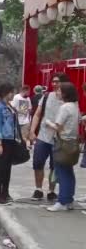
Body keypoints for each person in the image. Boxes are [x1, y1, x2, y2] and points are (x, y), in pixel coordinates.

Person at [29, 73, 70, 202]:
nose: (54, 84)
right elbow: (37, 114)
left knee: (55, 166)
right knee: (38, 163)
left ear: (63, 83)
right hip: (43, 136)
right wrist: (32, 131)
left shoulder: (68, 99)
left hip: (59, 139)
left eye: (57, 82)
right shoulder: (46, 97)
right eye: (53, 82)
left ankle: (51, 191)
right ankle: (38, 189)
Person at [45, 82, 80, 212]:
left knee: (62, 172)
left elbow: (58, 126)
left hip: (62, 143)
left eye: (59, 90)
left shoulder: (64, 107)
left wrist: (48, 122)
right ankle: (69, 199)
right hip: (72, 143)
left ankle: (62, 201)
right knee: (69, 172)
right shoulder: (75, 106)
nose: (57, 92)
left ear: (64, 93)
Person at [0, 84, 18, 205]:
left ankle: (5, 193)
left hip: (10, 140)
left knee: (7, 169)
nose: (13, 94)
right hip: (1, 140)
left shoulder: (9, 106)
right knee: (1, 168)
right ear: (5, 93)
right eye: (11, 92)